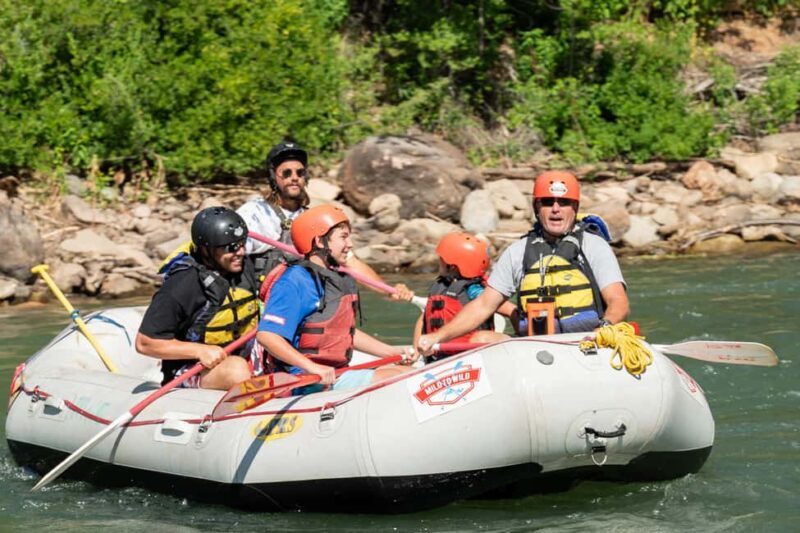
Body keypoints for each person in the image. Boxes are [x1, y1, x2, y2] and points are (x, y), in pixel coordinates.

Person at [415, 170, 629, 356]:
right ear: (537, 207)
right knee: (481, 338)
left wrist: (605, 328)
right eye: (547, 202)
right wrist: (437, 337)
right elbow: (483, 305)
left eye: (564, 202)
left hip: (587, 342)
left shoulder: (593, 246)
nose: (556, 209)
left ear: (574, 208)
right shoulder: (517, 252)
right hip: (537, 348)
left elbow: (618, 301)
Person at [256, 204, 417, 391]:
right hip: (303, 380)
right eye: (343, 237)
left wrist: (390, 352)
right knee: (403, 378)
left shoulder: (334, 278)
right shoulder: (294, 281)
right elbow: (267, 336)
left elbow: (341, 333)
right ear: (319, 242)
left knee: (403, 370)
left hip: (335, 373)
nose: (350, 244)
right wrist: (312, 367)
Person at [237, 141, 413, 300]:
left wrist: (389, 291)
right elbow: (228, 258)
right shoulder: (254, 214)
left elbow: (350, 262)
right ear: (273, 177)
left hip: (304, 306)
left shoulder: (314, 219)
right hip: (265, 308)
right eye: (286, 173)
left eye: (300, 172)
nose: (294, 177)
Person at [136, 207, 258, 390]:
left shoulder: (242, 266)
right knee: (236, 371)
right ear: (206, 250)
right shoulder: (182, 286)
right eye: (231, 247)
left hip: (242, 353)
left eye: (242, 243)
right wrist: (199, 351)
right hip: (193, 369)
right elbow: (144, 343)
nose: (240, 252)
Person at [412, 232, 517, 361]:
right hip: (441, 357)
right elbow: (423, 319)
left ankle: (516, 349)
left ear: (452, 266)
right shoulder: (441, 287)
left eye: (441, 258)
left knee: (482, 337)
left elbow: (511, 311)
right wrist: (417, 350)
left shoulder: (475, 290)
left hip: (471, 356)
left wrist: (521, 330)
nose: (438, 261)